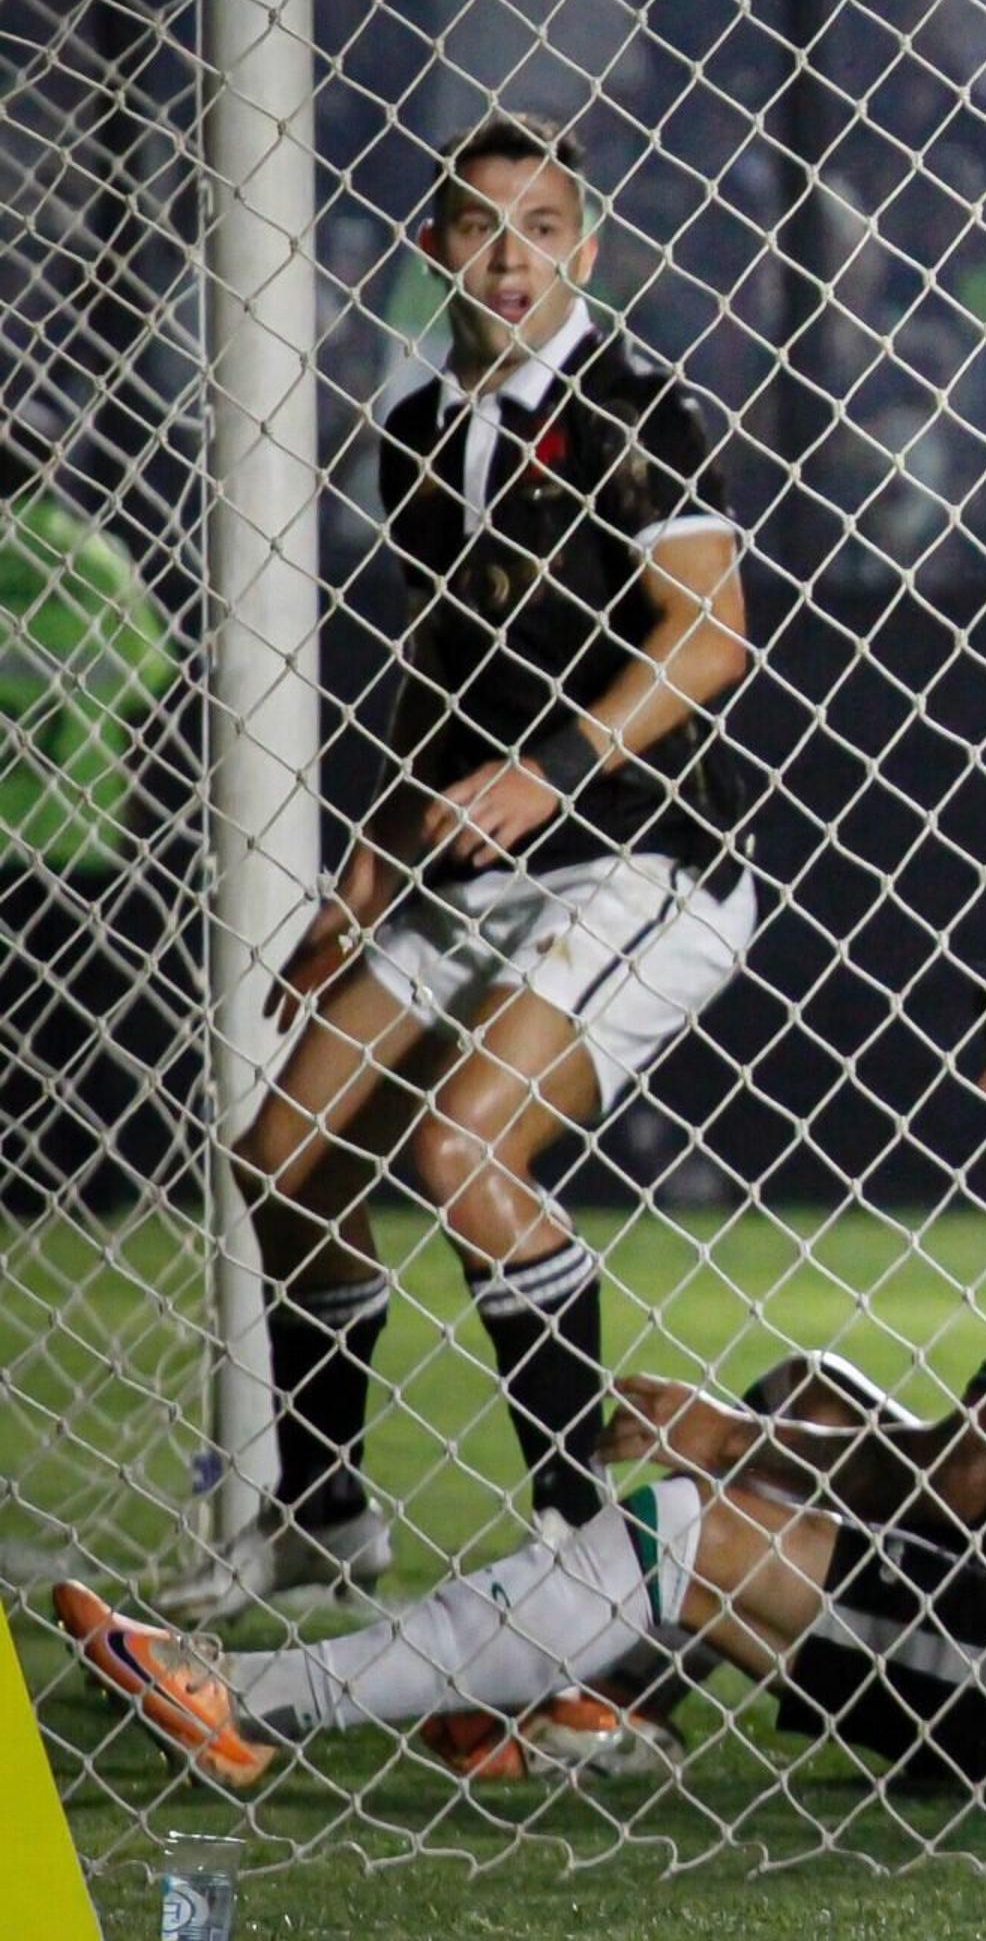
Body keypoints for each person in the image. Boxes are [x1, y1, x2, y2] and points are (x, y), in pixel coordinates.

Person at [64, 918, 986, 1795]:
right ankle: (598, 1696)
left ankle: (253, 1694)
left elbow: (964, 1482)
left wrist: (726, 1441)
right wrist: (766, 1425)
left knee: (694, 1524)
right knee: (807, 1389)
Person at [170, 113, 761, 1617]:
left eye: (545, 227)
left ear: (589, 249)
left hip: (638, 861)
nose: (514, 257)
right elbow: (438, 678)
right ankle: (326, 1517)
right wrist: (372, 859)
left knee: (464, 1153)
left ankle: (594, 1578)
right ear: (435, 248)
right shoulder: (420, 429)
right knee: (281, 1163)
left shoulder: (640, 410)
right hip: (463, 866)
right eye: (484, 227)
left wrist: (552, 773)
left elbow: (711, 636)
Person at [0, 400, 179, 1216]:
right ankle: (98, 1184)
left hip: (7, 826)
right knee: (91, 1025)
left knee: (13, 1026)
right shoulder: (96, 561)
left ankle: (19, 1180)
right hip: (86, 826)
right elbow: (149, 687)